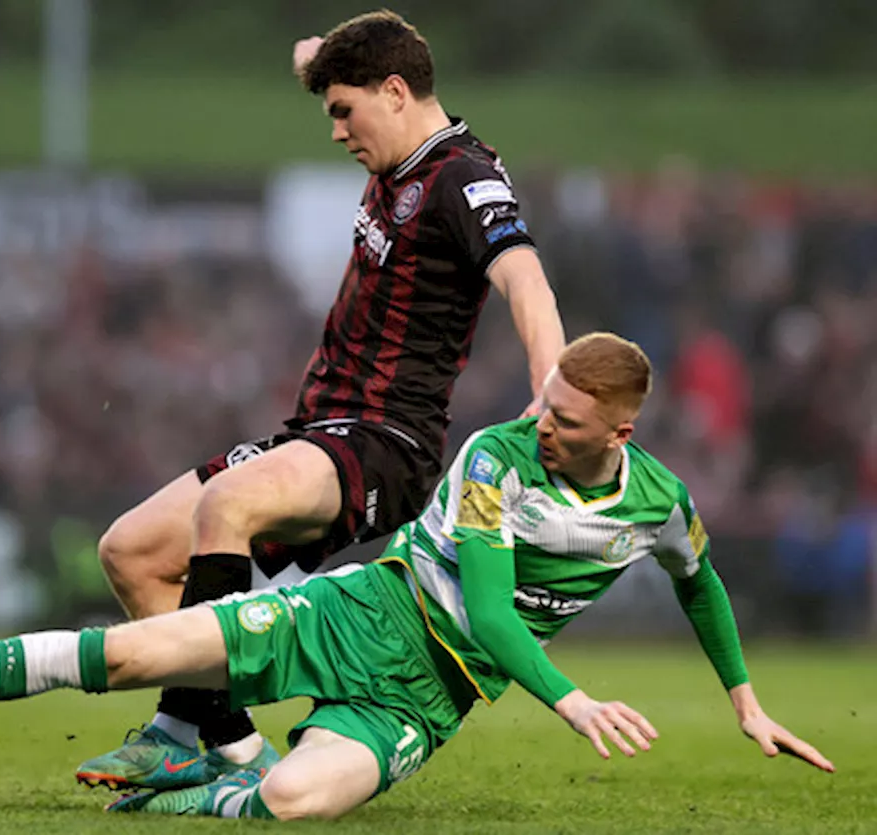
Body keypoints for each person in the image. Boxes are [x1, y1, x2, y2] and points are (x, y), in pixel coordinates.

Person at [0, 332, 832, 820]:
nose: (538, 423)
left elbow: (699, 579)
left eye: (562, 418)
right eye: (541, 403)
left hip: (431, 697)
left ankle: (208, 792)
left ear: (621, 430)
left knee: (296, 800)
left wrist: (741, 698)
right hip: (358, 610)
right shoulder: (493, 459)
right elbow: (483, 606)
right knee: (128, 652)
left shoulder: (657, 501)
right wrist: (570, 699)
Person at [78, 9, 566, 788]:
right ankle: (233, 752)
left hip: (385, 441)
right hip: (319, 429)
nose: (338, 131)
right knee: (130, 552)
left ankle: (174, 728)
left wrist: (552, 389)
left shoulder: (462, 177)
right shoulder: (397, 143)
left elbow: (526, 280)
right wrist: (318, 60)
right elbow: (334, 56)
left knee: (225, 505)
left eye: (345, 111)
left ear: (397, 91)